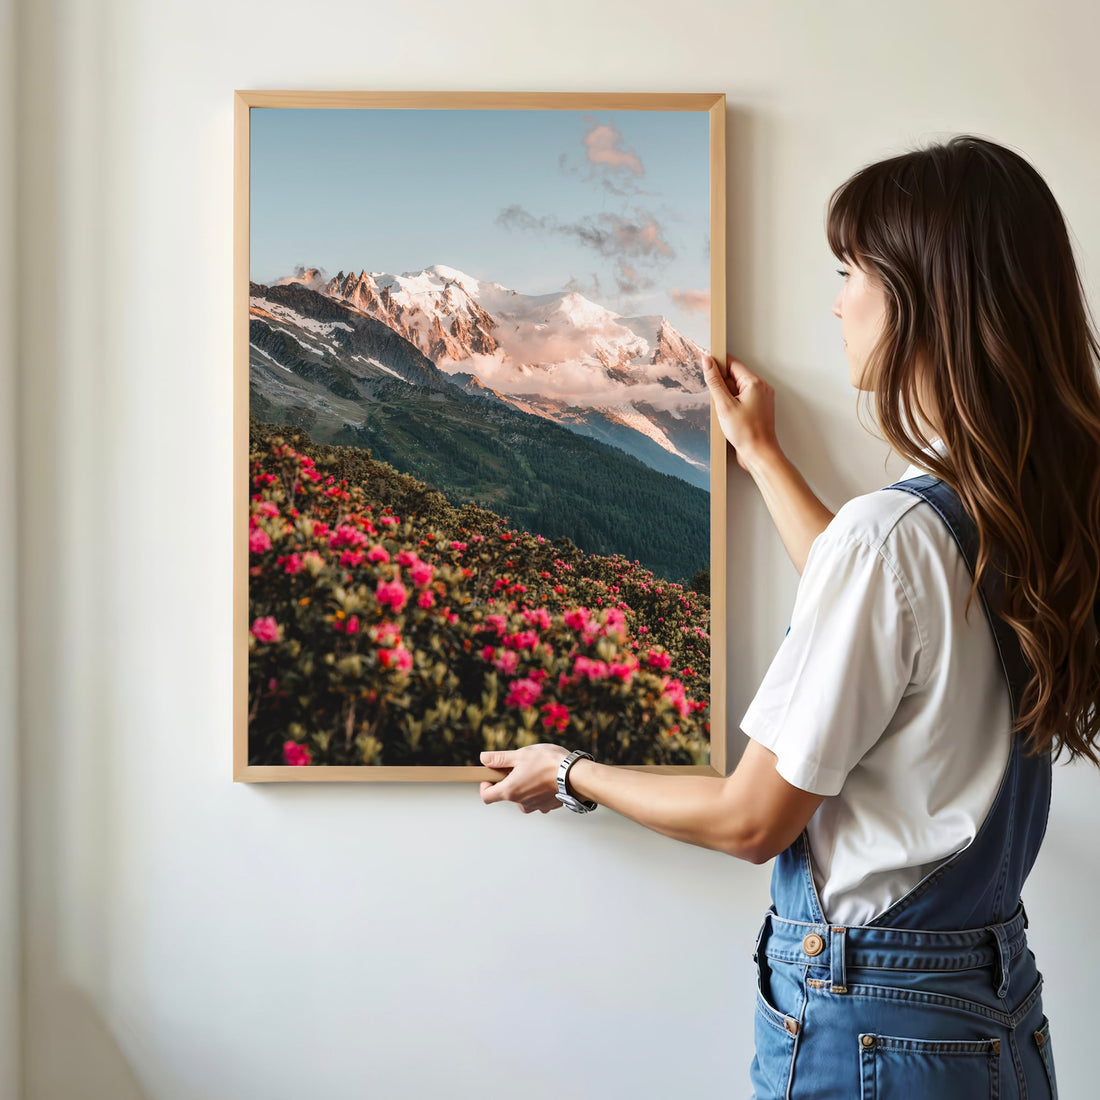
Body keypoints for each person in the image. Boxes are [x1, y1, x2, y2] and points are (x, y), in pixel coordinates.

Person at [477, 134, 1100, 1098]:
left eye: (852, 271)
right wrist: (763, 456)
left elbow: (750, 819)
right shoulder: (1019, 508)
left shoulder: (894, 535)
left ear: (925, 299)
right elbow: (891, 624)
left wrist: (568, 771)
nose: (838, 299)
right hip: (988, 1012)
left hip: (873, 1027)